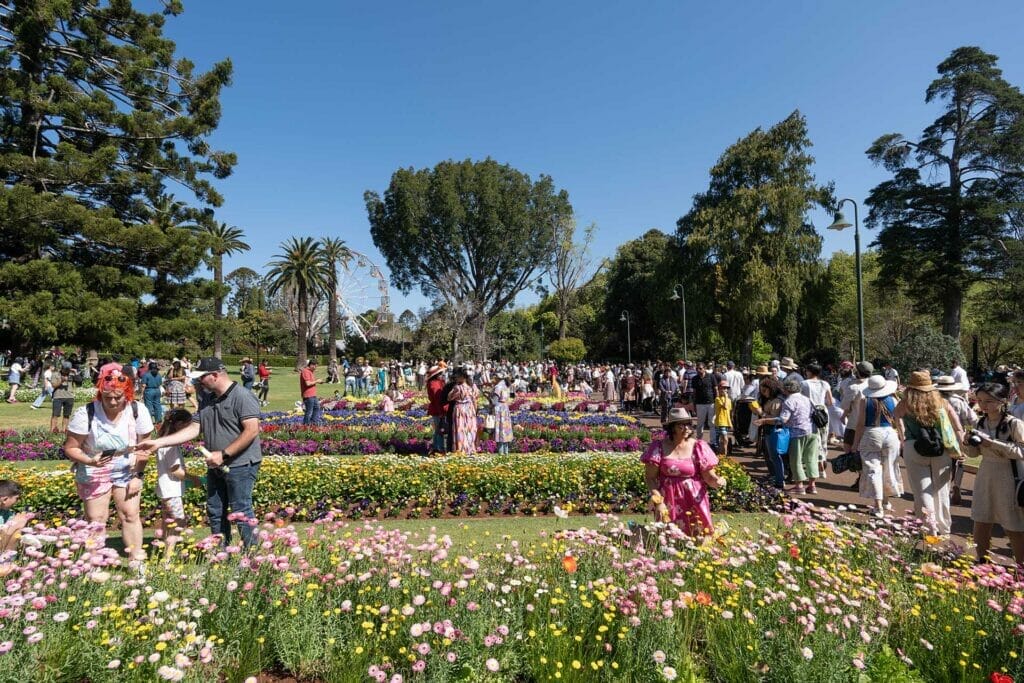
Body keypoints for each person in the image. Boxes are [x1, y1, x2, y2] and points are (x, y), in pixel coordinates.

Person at [137, 357, 263, 548]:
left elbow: (252, 430)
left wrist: (224, 454)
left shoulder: (243, 396)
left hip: (240, 465)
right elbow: (194, 429)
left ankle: (253, 555)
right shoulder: (207, 399)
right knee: (215, 510)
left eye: (201, 377)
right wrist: (159, 442)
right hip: (215, 465)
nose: (197, 381)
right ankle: (221, 554)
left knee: (241, 509)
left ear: (215, 375)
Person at [62, 363, 154, 560]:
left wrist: (138, 475)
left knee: (130, 513)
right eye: (107, 397)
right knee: (96, 518)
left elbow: (144, 446)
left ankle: (136, 560)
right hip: (94, 467)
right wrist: (89, 460)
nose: (112, 402)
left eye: (118, 397)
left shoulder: (138, 410)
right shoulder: (86, 413)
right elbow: (70, 447)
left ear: (127, 394)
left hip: (127, 466)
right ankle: (94, 562)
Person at [892, 370, 964, 536]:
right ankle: (944, 527)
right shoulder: (942, 402)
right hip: (941, 448)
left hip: (914, 446)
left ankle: (929, 527)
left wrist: (903, 440)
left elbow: (898, 421)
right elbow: (957, 426)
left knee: (921, 489)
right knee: (941, 489)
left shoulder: (904, 403)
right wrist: (961, 445)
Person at [640, 407, 726, 536]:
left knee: (699, 536)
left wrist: (717, 480)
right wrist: (658, 501)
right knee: (669, 538)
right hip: (668, 499)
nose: (687, 428)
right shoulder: (659, 447)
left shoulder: (698, 446)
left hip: (694, 498)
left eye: (688, 424)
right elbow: (650, 478)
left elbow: (709, 477)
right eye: (682, 425)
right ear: (672, 427)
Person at [963, 382, 1024, 565]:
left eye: (989, 401)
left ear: (1003, 401)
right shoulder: (980, 423)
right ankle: (982, 561)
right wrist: (968, 443)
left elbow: (1022, 451)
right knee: (981, 519)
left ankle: (1020, 568)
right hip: (986, 473)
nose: (984, 405)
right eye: (980, 400)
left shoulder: (1014, 424)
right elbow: (974, 454)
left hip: (1010, 474)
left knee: (1013, 523)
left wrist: (993, 443)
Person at [851, 373, 904, 518]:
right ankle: (886, 500)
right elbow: (899, 422)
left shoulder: (865, 400)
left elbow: (860, 424)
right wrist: (903, 438)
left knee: (873, 469)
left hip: (871, 433)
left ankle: (878, 505)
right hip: (890, 434)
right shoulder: (893, 399)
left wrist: (855, 444)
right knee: (890, 467)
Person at [154, 409, 203, 557]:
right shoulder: (171, 445)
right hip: (172, 490)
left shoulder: (162, 440)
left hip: (165, 489)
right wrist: (193, 478)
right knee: (178, 522)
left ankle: (163, 549)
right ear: (180, 425)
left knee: (167, 521)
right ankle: (169, 554)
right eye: (188, 425)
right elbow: (175, 470)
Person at [758, 376, 818, 495]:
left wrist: (764, 419)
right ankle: (812, 485)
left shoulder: (789, 401)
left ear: (787, 390)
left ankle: (799, 486)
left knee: (796, 460)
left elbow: (783, 419)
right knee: (811, 459)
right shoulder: (807, 399)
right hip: (812, 431)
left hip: (797, 433)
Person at [936, 375, 977, 505]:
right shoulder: (958, 401)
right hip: (957, 434)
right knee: (959, 462)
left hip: (938, 436)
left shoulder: (933, 401)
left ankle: (944, 489)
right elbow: (973, 419)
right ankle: (957, 485)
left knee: (942, 464)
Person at [801, 363, 834, 478]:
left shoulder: (804, 383)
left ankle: (816, 466)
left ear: (809, 371)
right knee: (823, 439)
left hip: (809, 412)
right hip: (823, 412)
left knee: (813, 439)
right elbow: (830, 402)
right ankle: (822, 466)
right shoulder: (825, 383)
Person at [446, 369, 479, 454]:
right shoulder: (473, 386)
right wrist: (475, 411)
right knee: (470, 429)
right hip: (470, 409)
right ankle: (470, 448)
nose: (456, 379)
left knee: (460, 429)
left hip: (460, 409)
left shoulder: (458, 387)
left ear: (462, 377)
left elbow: (449, 398)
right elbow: (475, 400)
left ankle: (461, 449)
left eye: (457, 377)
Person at [0, 480, 30, 553]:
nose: (18, 501)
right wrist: (16, 524)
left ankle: (8, 560)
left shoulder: (6, 512)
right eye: (17, 498)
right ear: (5, 499)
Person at [691, 363, 719, 441]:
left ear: (704, 368)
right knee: (700, 423)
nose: (698, 370)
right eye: (697, 369)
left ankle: (713, 442)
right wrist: (694, 404)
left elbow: (716, 389)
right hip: (700, 403)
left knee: (712, 423)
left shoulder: (711, 376)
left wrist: (717, 401)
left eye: (700, 368)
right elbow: (694, 392)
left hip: (711, 403)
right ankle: (699, 440)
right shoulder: (695, 379)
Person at [489, 375, 514, 455]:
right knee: (505, 428)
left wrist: (489, 402)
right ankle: (506, 451)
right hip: (505, 408)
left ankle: (500, 451)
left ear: (497, 378)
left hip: (499, 408)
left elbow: (494, 401)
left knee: (500, 428)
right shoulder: (506, 386)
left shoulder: (498, 387)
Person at [425, 365, 447, 453]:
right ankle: (439, 448)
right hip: (437, 409)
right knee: (439, 429)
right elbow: (437, 399)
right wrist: (441, 411)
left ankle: (435, 447)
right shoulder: (434, 384)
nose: (442, 375)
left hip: (436, 408)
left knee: (438, 429)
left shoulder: (437, 382)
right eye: (440, 374)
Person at [50, 367, 76, 434]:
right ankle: (52, 431)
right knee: (55, 415)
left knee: (66, 415)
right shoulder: (55, 374)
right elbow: (54, 385)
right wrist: (62, 380)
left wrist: (76, 373)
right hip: (58, 396)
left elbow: (79, 382)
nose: (66, 372)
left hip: (69, 397)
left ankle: (64, 430)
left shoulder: (71, 374)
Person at [299, 359, 323, 425]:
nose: (316, 368)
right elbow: (308, 383)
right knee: (309, 411)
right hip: (308, 395)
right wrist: (317, 381)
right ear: (311, 365)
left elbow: (311, 382)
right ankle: (305, 425)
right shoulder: (305, 371)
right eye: (315, 366)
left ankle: (313, 424)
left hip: (313, 395)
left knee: (316, 408)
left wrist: (319, 381)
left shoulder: (310, 372)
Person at [713, 380, 733, 456]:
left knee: (723, 441)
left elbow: (729, 412)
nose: (725, 390)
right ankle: (723, 455)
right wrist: (726, 396)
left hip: (726, 422)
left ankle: (724, 455)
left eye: (726, 388)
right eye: (723, 388)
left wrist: (731, 422)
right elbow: (724, 407)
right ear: (719, 389)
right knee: (724, 439)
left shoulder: (729, 400)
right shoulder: (718, 399)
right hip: (720, 422)